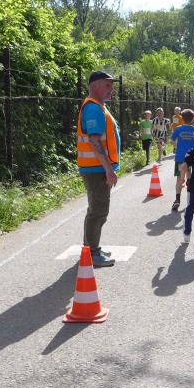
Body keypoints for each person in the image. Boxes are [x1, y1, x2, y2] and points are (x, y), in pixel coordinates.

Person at [75, 71, 119, 268]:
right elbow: (94, 141)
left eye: (112, 86)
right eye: (107, 85)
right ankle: (92, 253)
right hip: (96, 169)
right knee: (99, 211)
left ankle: (90, 249)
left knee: (96, 209)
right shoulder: (93, 108)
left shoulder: (98, 106)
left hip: (95, 167)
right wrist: (108, 169)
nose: (111, 90)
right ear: (94, 86)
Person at [170, 109, 194, 211]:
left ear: (182, 118)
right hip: (191, 157)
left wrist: (176, 146)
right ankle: (190, 200)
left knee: (179, 179)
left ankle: (177, 199)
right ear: (193, 119)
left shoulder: (178, 129)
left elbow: (171, 140)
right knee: (189, 174)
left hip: (180, 157)